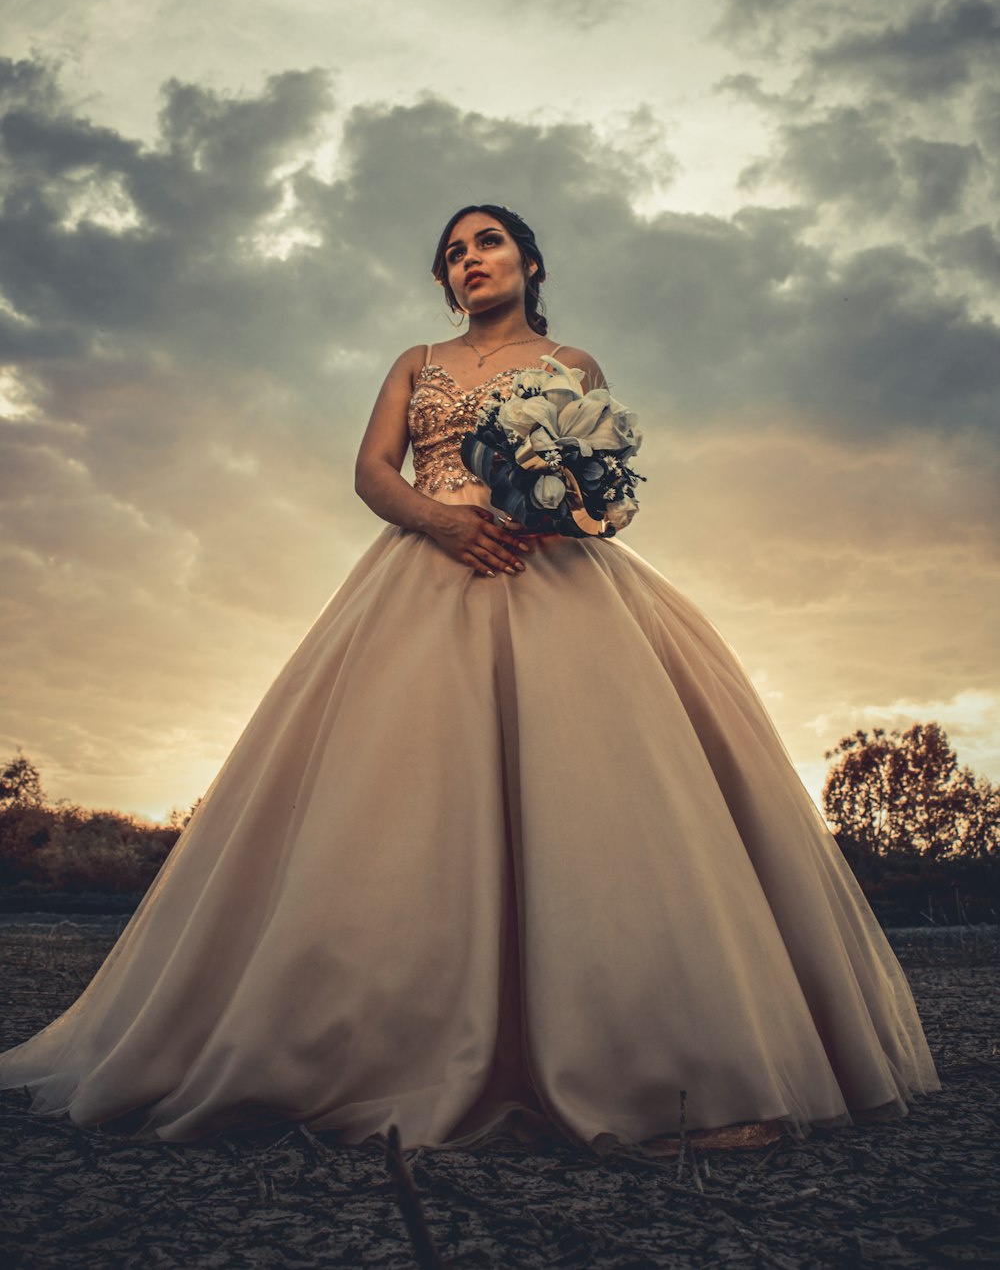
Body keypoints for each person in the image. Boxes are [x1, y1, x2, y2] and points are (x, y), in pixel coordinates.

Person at [0, 203, 941, 1157]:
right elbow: (372, 472)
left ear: (529, 260)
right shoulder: (417, 363)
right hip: (425, 571)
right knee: (400, 804)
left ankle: (650, 1061)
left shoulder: (576, 367)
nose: (469, 261)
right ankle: (373, 1047)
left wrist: (558, 505)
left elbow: (609, 498)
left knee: (602, 811)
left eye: (486, 242)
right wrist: (443, 520)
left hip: (556, 582)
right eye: (453, 254)